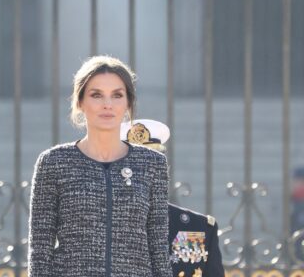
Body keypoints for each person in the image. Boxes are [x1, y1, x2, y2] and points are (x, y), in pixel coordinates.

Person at [27, 55, 171, 277]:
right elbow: (40, 249)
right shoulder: (53, 162)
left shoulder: (152, 163)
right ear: (80, 102)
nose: (107, 104)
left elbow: (158, 244)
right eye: (96, 95)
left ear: (128, 103)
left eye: (117, 95)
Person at [121, 119, 225, 277]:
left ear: (163, 168)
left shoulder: (198, 228)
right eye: (130, 168)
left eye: (151, 165)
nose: (142, 174)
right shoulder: (93, 225)